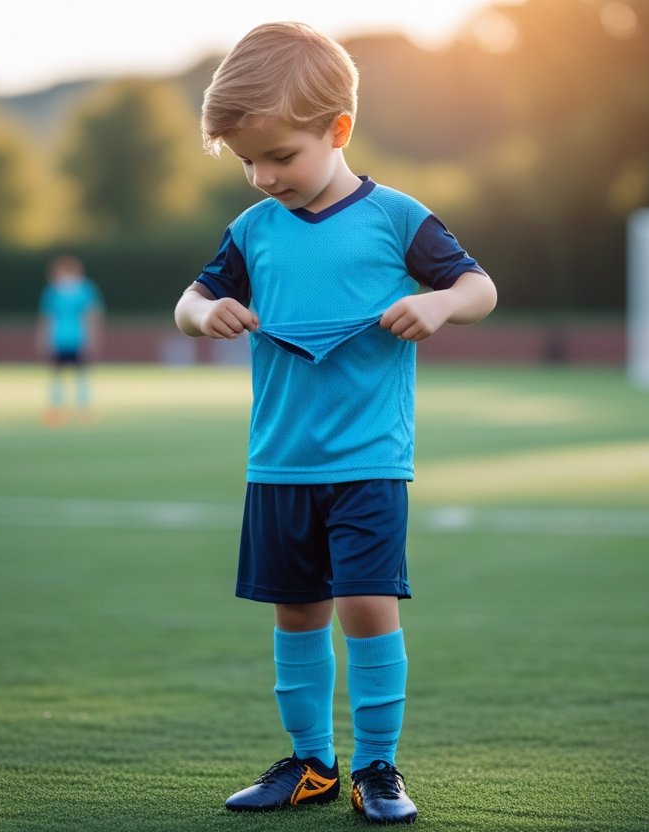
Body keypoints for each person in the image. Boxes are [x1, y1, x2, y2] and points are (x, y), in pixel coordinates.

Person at [174, 22, 497, 825]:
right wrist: (205, 312)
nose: (262, 176)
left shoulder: (396, 218)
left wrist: (438, 302)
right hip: (279, 462)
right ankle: (312, 763)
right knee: (297, 612)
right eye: (248, 161)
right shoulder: (252, 231)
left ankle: (378, 767)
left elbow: (479, 287)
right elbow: (188, 300)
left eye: (280, 156)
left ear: (338, 130)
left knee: (365, 606)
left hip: (369, 461)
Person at [35, 254, 104, 425]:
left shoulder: (85, 290)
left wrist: (93, 339)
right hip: (59, 338)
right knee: (57, 374)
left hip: (79, 338)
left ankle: (83, 409)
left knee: (81, 375)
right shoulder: (52, 291)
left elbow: (91, 316)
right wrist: (44, 339)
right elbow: (47, 318)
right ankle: (57, 409)